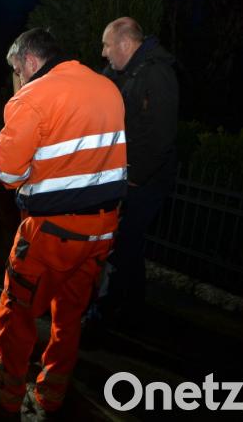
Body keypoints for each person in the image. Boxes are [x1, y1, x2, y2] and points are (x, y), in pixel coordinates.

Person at [0, 28, 126, 420]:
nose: (16, 79)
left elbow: (7, 170)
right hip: (102, 230)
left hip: (52, 233)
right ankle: (52, 394)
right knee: (68, 317)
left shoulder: (34, 96)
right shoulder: (107, 88)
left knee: (16, 312)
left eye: (16, 71)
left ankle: (5, 398)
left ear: (29, 62)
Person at [94, 17, 178, 325]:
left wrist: (134, 177)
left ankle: (116, 310)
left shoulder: (156, 75)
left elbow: (161, 138)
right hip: (130, 177)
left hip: (146, 180)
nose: (103, 52)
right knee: (128, 244)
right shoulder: (127, 72)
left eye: (106, 45)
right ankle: (130, 307)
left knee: (123, 242)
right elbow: (97, 86)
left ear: (125, 44)